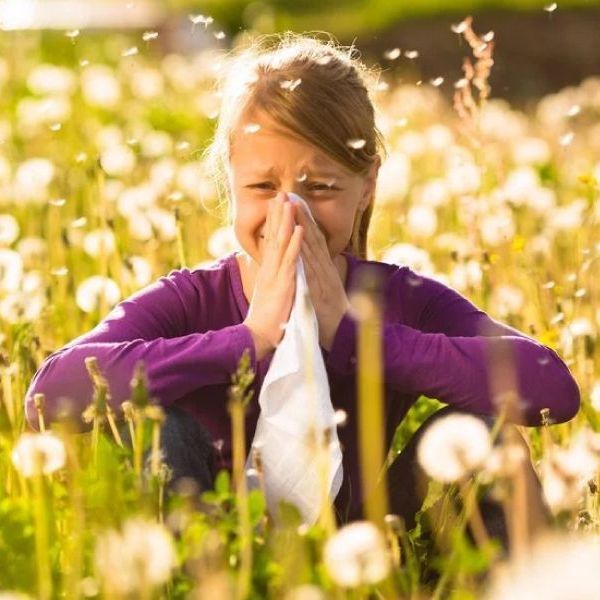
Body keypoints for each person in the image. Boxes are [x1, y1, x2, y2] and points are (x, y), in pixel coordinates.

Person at [24, 33, 579, 546]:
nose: (291, 213)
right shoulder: (193, 299)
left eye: (321, 187)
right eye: (264, 187)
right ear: (230, 184)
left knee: (486, 432)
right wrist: (249, 339)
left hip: (370, 540)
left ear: (367, 188)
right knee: (155, 428)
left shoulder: (400, 297)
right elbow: (49, 396)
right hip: (212, 541)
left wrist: (357, 337)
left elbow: (552, 387)